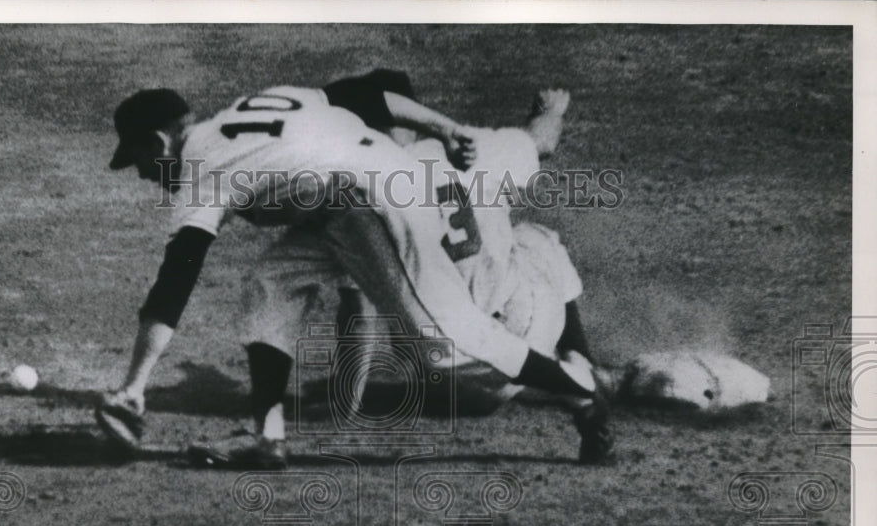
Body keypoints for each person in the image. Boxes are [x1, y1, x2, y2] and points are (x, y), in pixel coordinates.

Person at [96, 83, 613, 467]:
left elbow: (177, 277)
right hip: (360, 196)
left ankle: (583, 391)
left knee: (450, 340)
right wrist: (446, 128)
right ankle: (269, 439)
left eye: (138, 158)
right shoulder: (264, 101)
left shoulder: (201, 172)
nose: (141, 172)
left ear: (160, 140)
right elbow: (367, 95)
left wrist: (134, 386)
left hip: (371, 201)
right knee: (269, 283)